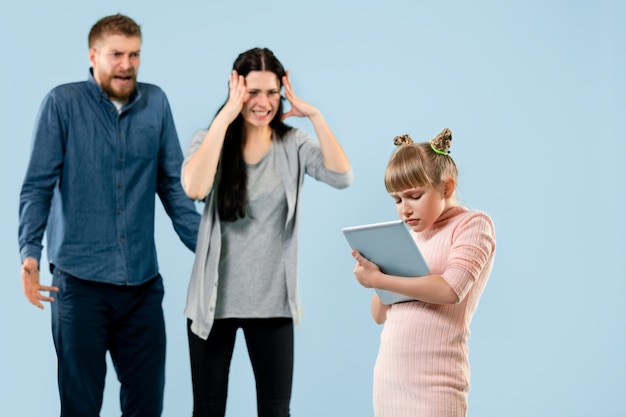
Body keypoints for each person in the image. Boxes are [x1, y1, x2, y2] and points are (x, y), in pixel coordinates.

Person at [18, 14, 201, 417]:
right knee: (80, 407)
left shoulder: (156, 103)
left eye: (134, 54)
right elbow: (37, 187)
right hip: (79, 287)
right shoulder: (62, 104)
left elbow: (173, 188)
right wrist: (30, 253)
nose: (127, 64)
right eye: (116, 54)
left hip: (142, 286)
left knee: (146, 405)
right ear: (93, 55)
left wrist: (212, 249)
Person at [181, 47, 352, 417]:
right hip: (213, 307)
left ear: (282, 92)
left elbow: (341, 176)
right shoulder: (209, 139)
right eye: (252, 92)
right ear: (236, 89)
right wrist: (225, 117)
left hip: (273, 304)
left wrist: (316, 116)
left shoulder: (293, 144)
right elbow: (194, 188)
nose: (263, 102)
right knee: (207, 410)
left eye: (271, 92)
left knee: (276, 412)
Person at [351, 128, 496, 417]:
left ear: (447, 188)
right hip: (389, 379)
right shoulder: (409, 236)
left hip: (436, 384)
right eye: (397, 200)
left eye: (414, 196)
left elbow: (450, 289)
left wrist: (379, 279)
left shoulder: (473, 225)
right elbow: (379, 315)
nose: (404, 209)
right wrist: (378, 273)